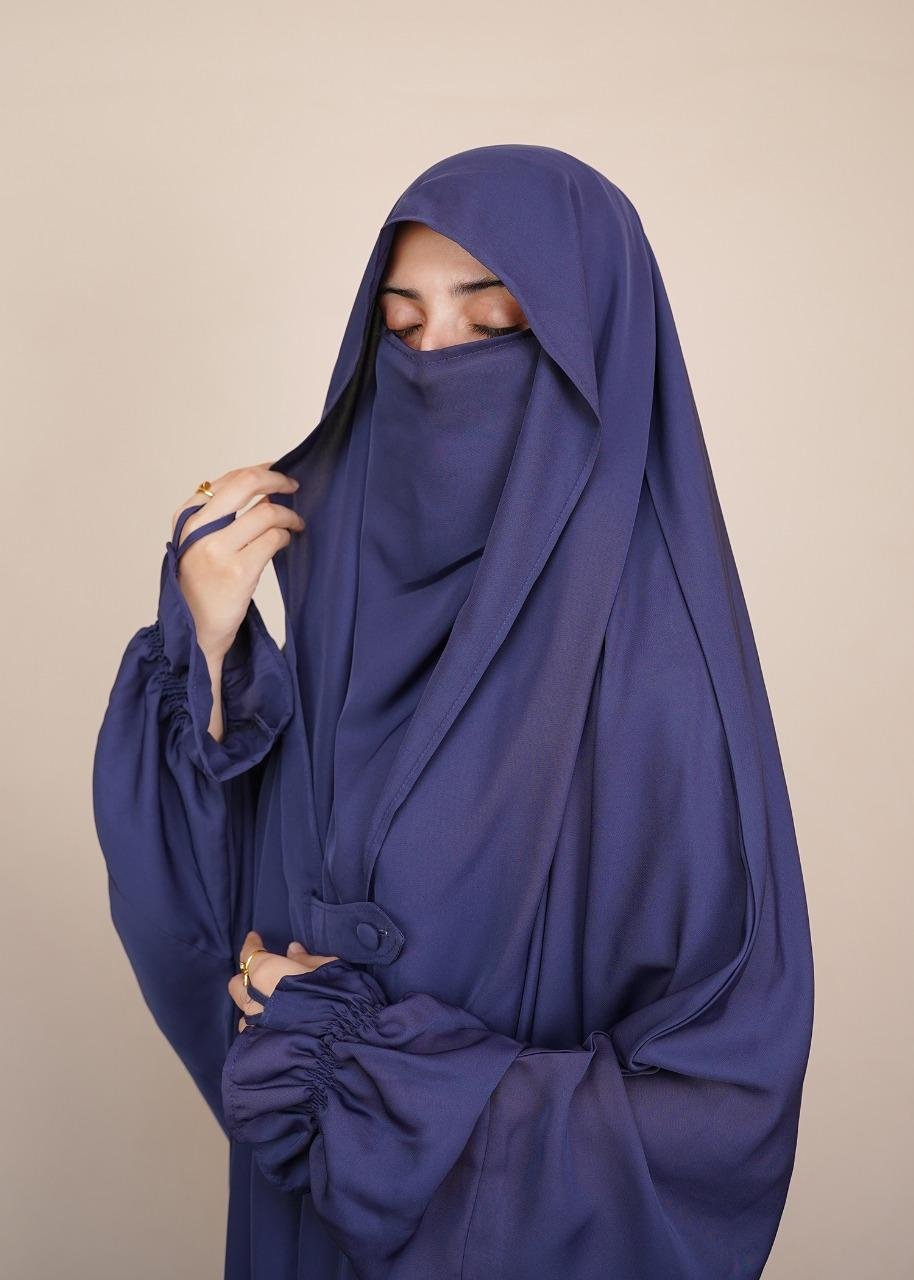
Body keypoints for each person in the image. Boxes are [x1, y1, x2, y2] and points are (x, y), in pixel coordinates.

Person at [93, 144, 814, 1280]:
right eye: (401, 325)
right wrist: (211, 653)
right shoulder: (337, 597)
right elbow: (204, 932)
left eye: (492, 325)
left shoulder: (661, 675)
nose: (435, 361)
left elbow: (718, 1122)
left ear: (594, 362)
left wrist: (367, 1069)